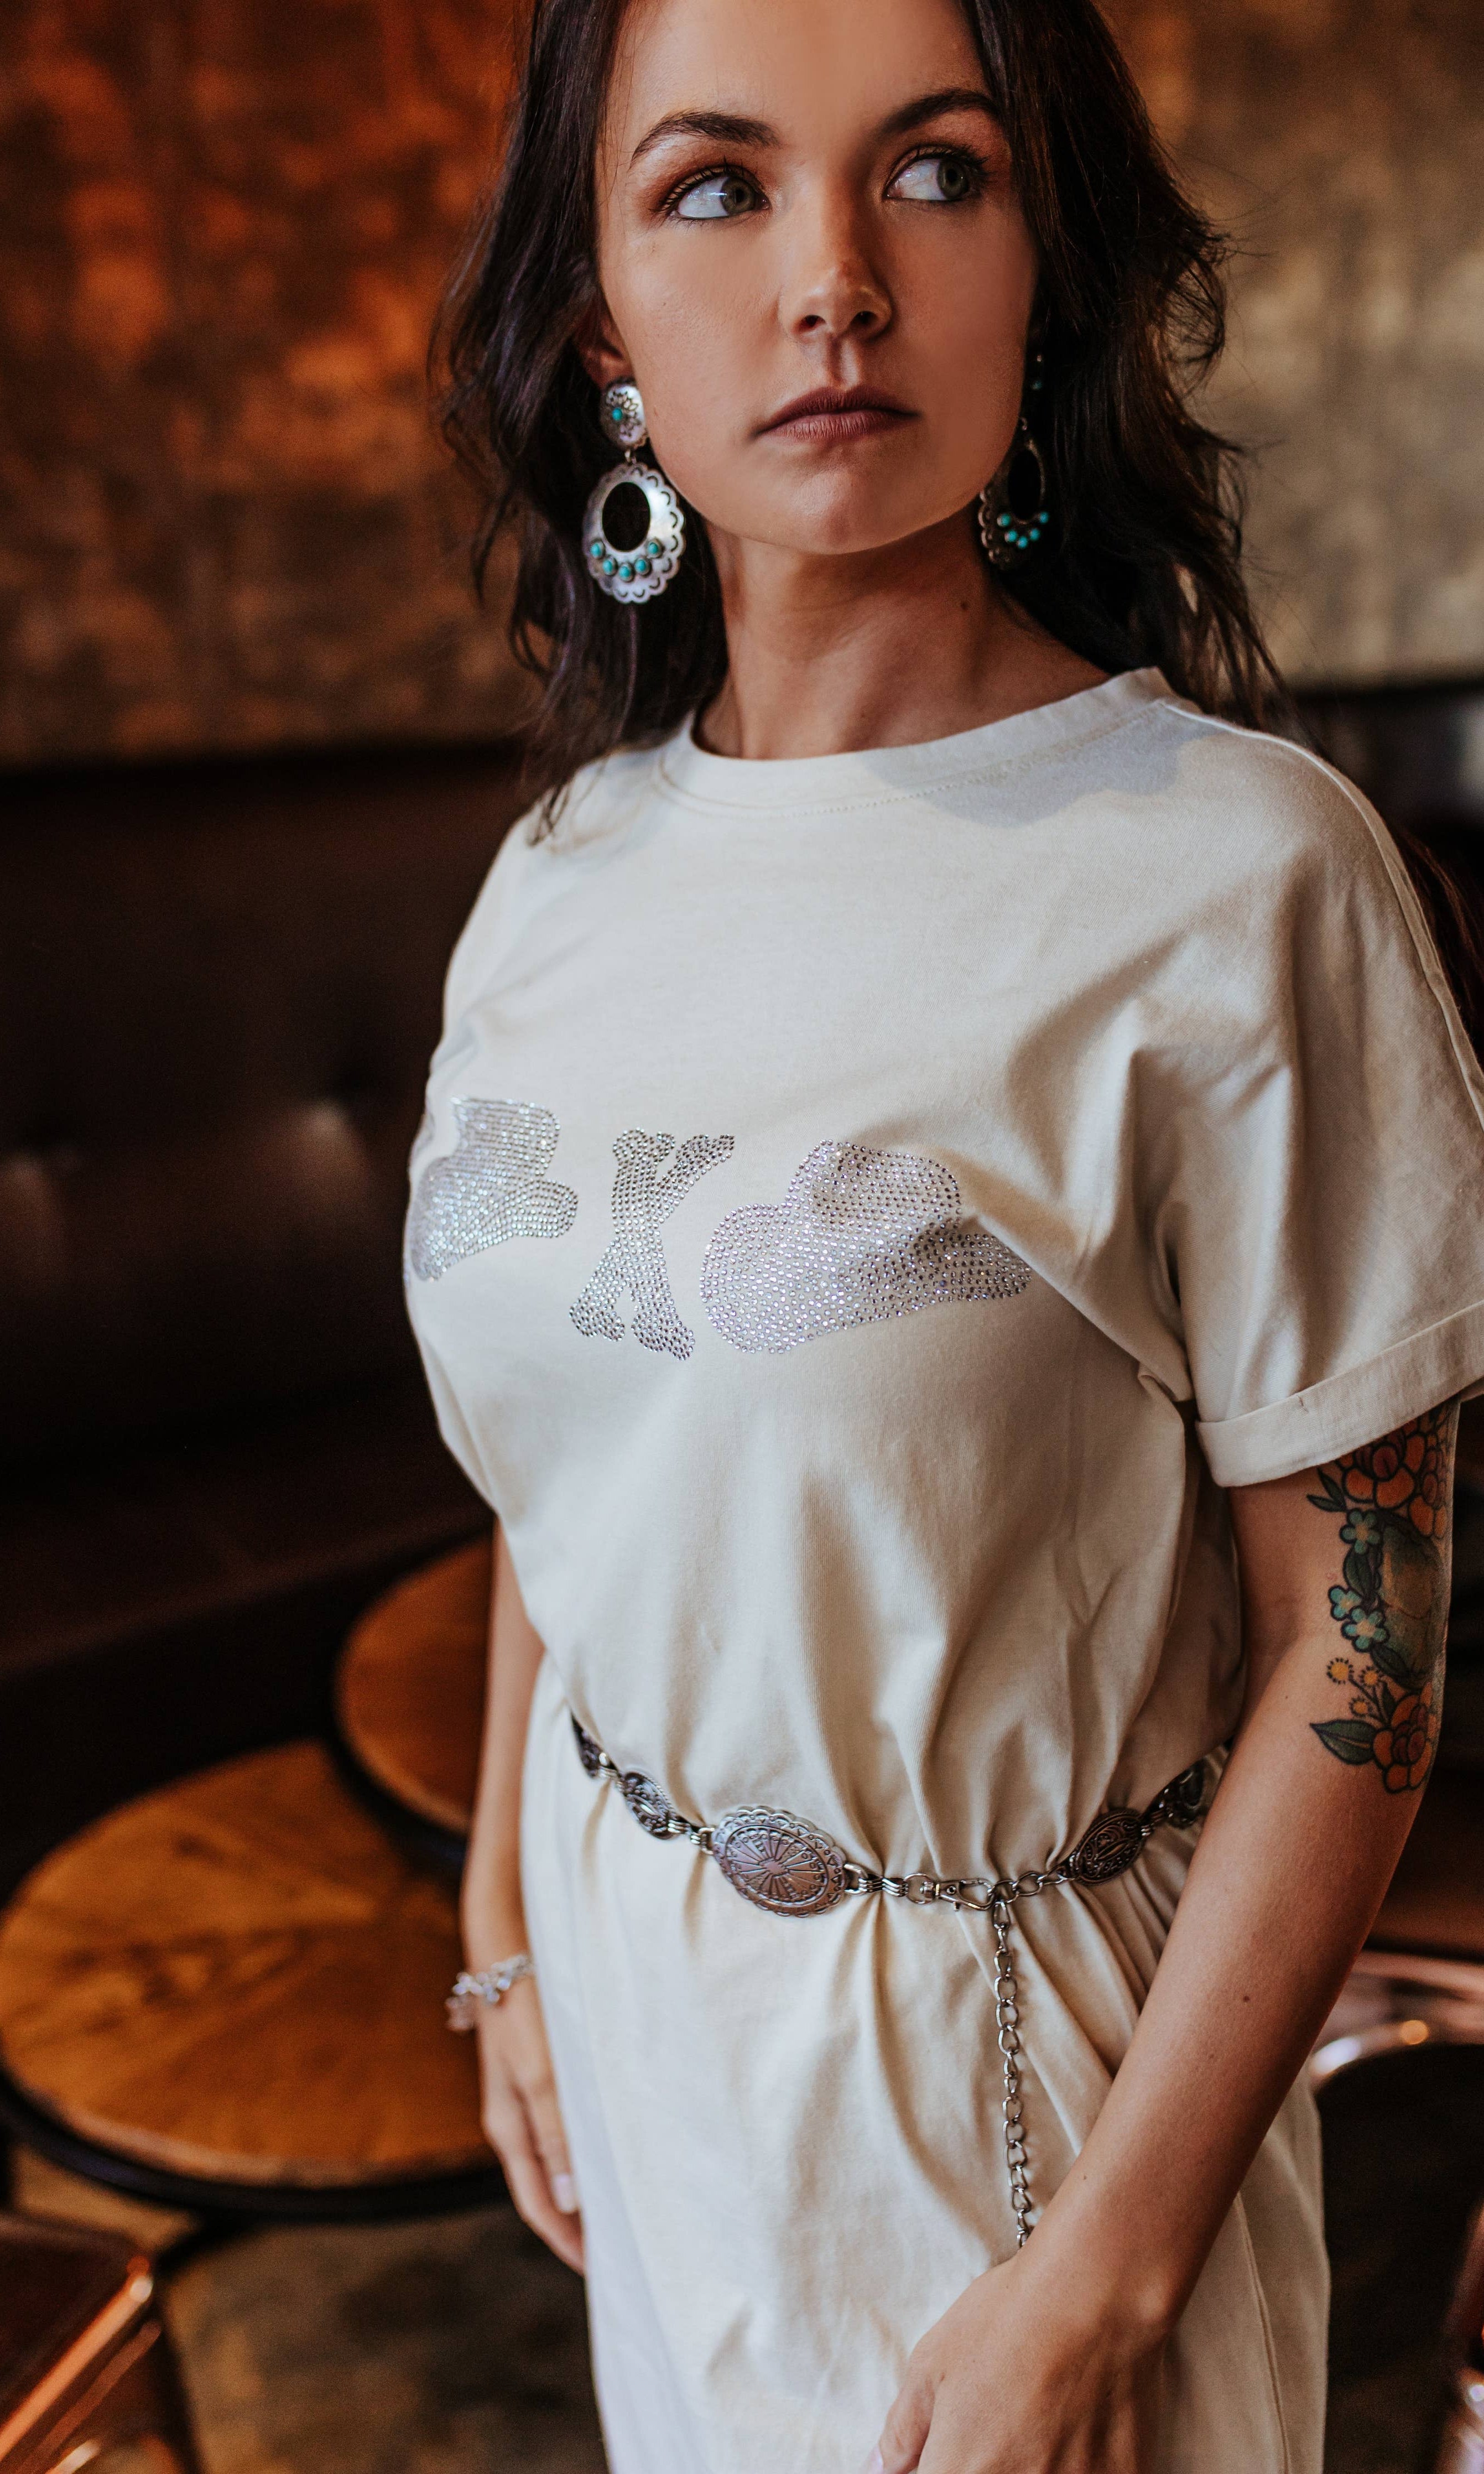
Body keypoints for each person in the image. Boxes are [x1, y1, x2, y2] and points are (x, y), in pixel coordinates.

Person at [405, 0, 1484, 2465]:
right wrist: (502, 1919)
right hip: (632, 1994)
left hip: (1020, 2120)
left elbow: (1362, 1629)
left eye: (932, 173)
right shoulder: (555, 876)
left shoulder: (1235, 877)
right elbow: (575, 1454)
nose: (828, 282)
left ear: (1044, 257)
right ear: (596, 322)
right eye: (712, 186)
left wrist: (1099, 2281)